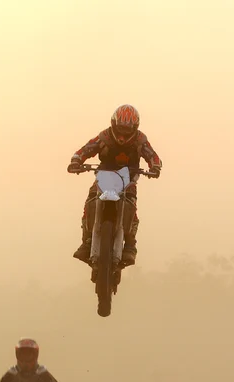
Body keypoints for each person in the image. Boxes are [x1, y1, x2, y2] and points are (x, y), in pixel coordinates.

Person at [67, 104, 162, 266]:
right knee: (91, 199)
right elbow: (86, 149)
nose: (123, 135)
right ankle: (87, 241)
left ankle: (130, 246)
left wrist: (155, 167)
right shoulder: (104, 137)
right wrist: (76, 160)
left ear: (135, 127)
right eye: (120, 129)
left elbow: (153, 156)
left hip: (129, 178)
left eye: (127, 130)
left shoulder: (140, 140)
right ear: (113, 124)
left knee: (131, 203)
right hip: (105, 175)